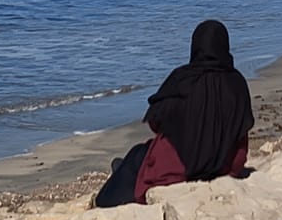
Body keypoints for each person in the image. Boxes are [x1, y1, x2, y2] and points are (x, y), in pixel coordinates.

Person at [95, 20, 254, 207]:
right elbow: (244, 126)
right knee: (138, 157)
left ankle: (119, 176)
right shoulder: (237, 83)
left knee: (134, 160)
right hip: (226, 165)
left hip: (180, 168)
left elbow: (156, 122)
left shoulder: (183, 80)